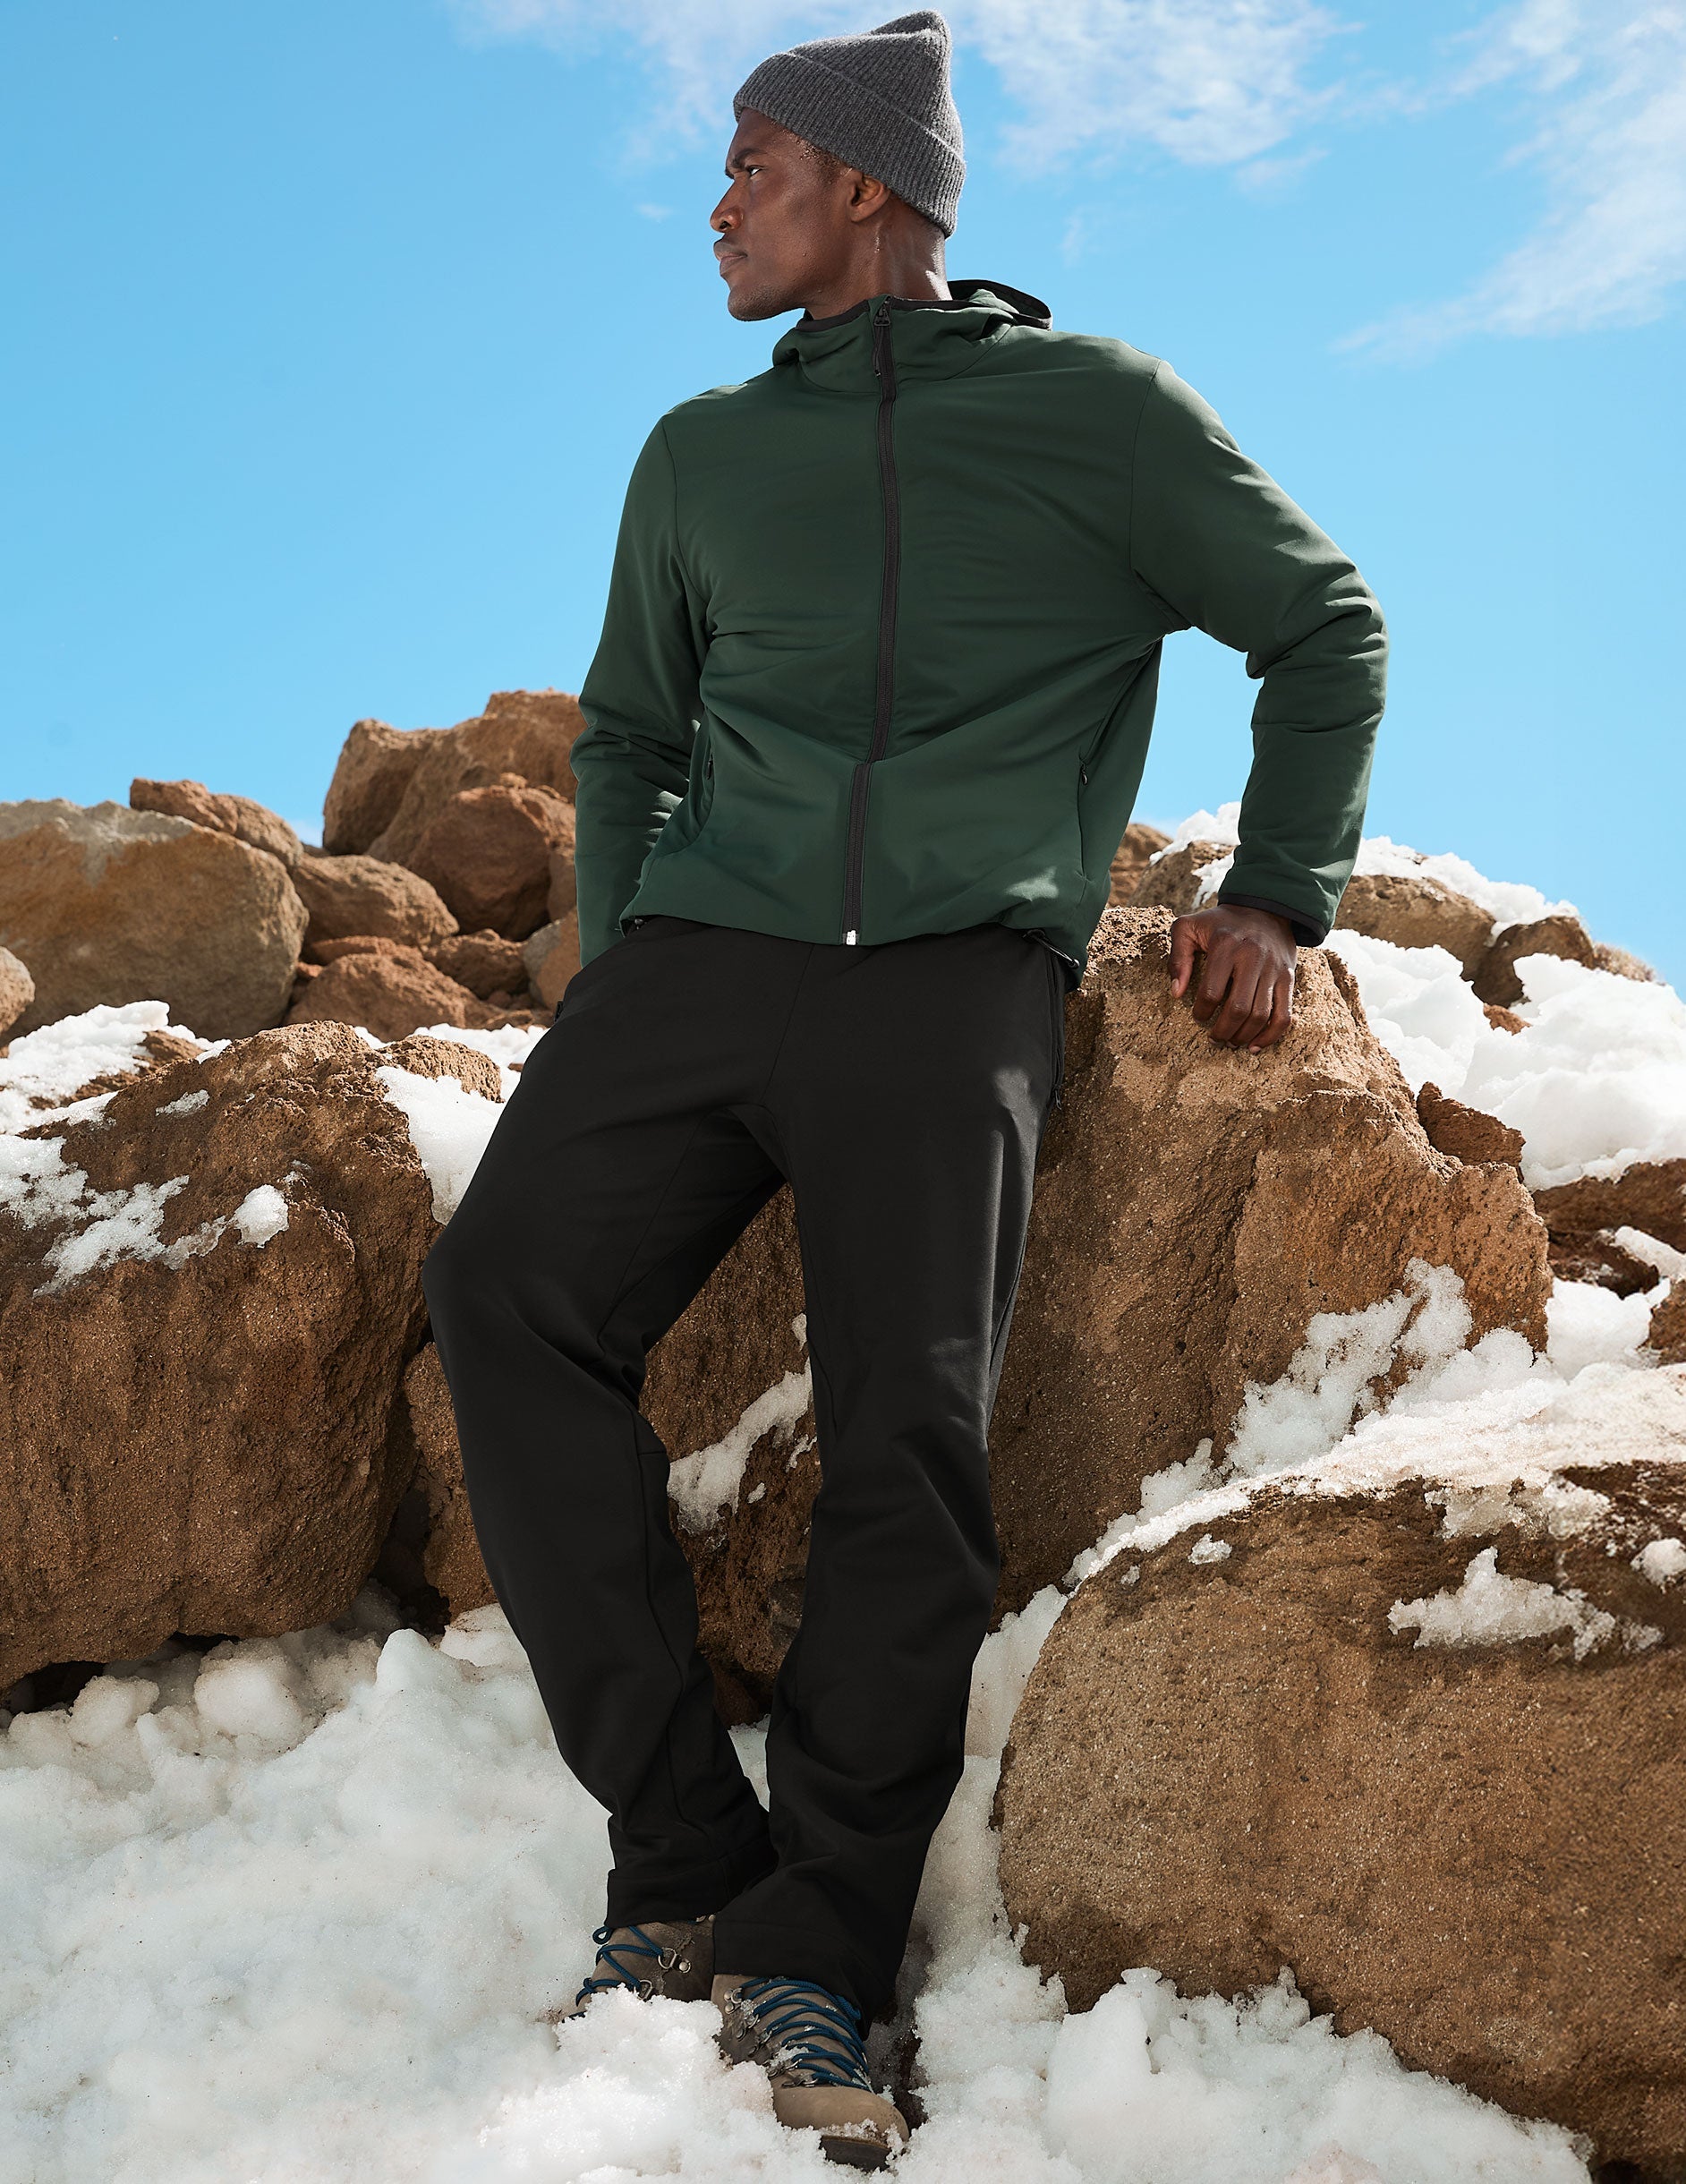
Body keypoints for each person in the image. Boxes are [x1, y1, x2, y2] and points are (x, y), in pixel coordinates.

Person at [422, 9, 1386, 2167]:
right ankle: (678, 1855)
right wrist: (623, 937)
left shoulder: (1095, 416)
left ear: (869, 184)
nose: (717, 204)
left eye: (752, 164)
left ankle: (821, 1952)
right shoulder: (699, 453)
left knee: (910, 1440)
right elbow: (624, 730)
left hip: (950, 982)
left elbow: (1322, 623)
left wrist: (1283, 893)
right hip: (702, 961)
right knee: (505, 1297)